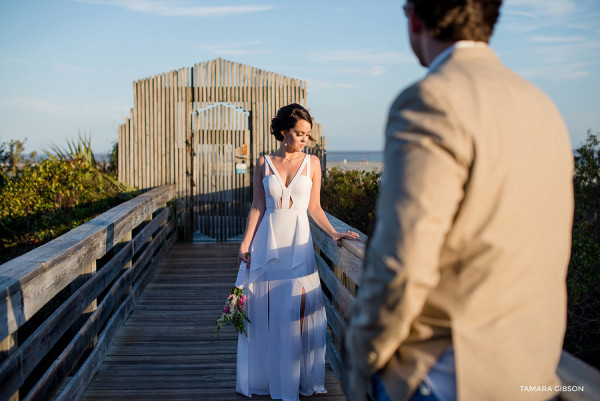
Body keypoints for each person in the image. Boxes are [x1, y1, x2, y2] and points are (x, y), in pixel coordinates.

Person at [344, 1, 574, 401]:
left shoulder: (430, 100)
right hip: (531, 370)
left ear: (415, 18)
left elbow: (402, 260)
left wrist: (362, 354)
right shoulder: (543, 105)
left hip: (446, 376)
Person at [236, 103, 359, 401]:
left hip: (299, 243)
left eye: (307, 134)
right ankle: (266, 379)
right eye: (299, 133)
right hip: (268, 242)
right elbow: (257, 207)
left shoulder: (312, 164)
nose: (304, 139)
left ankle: (296, 378)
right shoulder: (264, 163)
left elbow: (314, 207)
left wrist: (333, 232)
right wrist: (245, 243)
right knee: (267, 309)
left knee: (298, 310)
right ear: (283, 132)